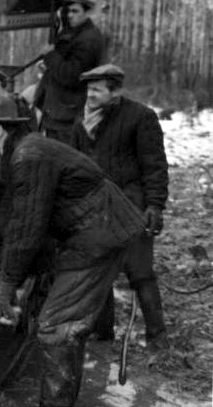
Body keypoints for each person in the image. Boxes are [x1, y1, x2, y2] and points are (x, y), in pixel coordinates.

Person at [0, 90, 144, 407]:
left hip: (95, 236)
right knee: (62, 319)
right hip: (93, 231)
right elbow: (1, 189)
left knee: (55, 327)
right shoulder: (20, 149)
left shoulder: (28, 155)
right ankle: (74, 368)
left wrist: (6, 283)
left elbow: (26, 227)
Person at [71, 64, 169, 355]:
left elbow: (155, 166)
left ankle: (158, 340)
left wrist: (155, 205)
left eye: (97, 90)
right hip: (97, 208)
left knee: (140, 274)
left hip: (133, 207)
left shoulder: (141, 117)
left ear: (115, 91)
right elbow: (76, 164)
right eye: (88, 89)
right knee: (99, 270)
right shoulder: (83, 122)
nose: (90, 95)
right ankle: (102, 335)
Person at [34, 0, 105, 144]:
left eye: (75, 11)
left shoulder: (88, 39)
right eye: (68, 11)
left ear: (87, 13)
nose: (70, 15)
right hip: (59, 112)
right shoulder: (74, 34)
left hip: (68, 114)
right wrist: (48, 67)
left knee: (64, 158)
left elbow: (71, 75)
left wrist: (51, 56)